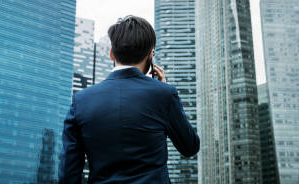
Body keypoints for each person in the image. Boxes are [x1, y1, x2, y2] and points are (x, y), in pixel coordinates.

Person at [58, 15, 200, 183]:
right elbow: (190, 147)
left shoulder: (80, 101)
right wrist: (164, 88)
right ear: (150, 55)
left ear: (111, 53)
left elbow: (69, 172)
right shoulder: (164, 95)